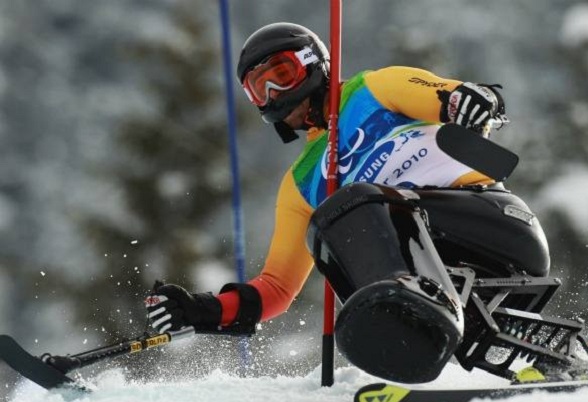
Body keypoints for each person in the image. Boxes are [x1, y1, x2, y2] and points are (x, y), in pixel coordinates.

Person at [144, 23, 550, 383]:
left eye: (282, 75)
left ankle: (400, 302)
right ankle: (405, 332)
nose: (274, 94)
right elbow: (277, 288)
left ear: (314, 64)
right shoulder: (300, 183)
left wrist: (474, 101)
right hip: (446, 285)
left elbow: (450, 97)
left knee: (355, 201)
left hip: (496, 226)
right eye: (259, 89)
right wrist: (203, 311)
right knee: (328, 225)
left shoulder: (373, 90)